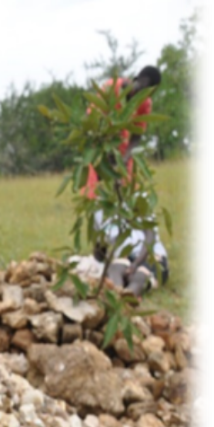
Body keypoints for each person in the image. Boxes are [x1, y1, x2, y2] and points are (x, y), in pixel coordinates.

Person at [82, 66, 162, 200]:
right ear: (136, 80)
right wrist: (106, 151)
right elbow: (89, 119)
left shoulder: (145, 103)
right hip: (97, 146)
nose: (142, 95)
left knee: (128, 193)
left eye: (149, 93)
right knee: (92, 194)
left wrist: (123, 160)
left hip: (121, 148)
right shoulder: (112, 88)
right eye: (143, 88)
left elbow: (136, 137)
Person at [92, 198, 169, 298]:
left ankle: (129, 296)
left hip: (151, 255)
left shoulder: (137, 198)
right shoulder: (97, 210)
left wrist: (135, 264)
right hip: (125, 257)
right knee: (114, 270)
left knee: (139, 277)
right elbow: (100, 252)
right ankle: (117, 293)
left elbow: (150, 236)